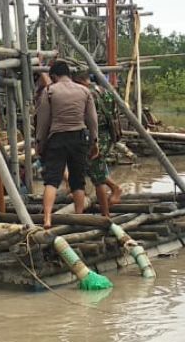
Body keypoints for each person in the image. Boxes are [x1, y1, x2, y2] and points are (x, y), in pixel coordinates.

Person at [35, 60, 98, 228]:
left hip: (57, 138)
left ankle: (47, 218)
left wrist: (40, 142)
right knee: (78, 180)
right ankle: (78, 217)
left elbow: (43, 121)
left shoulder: (49, 91)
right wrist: (94, 141)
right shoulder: (84, 91)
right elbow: (92, 120)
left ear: (54, 76)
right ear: (69, 74)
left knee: (52, 180)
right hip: (79, 137)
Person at [76, 73, 124, 216]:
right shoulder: (106, 92)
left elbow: (87, 118)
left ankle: (105, 214)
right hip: (108, 135)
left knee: (97, 176)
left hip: (95, 137)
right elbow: (115, 113)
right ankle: (113, 190)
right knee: (94, 169)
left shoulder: (86, 94)